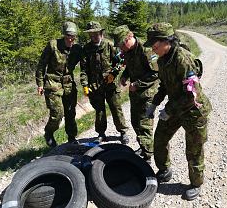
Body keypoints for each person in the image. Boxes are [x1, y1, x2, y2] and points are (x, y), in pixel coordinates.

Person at [144, 22, 212, 201]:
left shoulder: (183, 59)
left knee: (194, 149)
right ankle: (165, 170)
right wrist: (154, 104)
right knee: (160, 138)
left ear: (166, 41)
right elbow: (163, 87)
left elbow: (192, 95)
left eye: (155, 44)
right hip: (176, 107)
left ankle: (196, 183)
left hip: (193, 111)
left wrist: (168, 109)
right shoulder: (162, 60)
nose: (152, 48)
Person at [112, 25, 159, 163]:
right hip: (135, 94)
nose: (121, 49)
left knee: (144, 125)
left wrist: (137, 84)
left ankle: (147, 157)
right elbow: (129, 66)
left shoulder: (146, 50)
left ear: (129, 38)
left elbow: (155, 73)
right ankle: (144, 147)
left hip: (147, 93)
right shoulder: (128, 51)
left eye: (121, 44)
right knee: (135, 122)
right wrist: (124, 76)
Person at [80, 21, 129, 144]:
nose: (93, 37)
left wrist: (114, 73)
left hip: (111, 84)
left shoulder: (109, 45)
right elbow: (84, 69)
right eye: (91, 35)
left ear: (101, 33)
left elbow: (121, 61)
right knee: (99, 110)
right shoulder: (86, 49)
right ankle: (101, 134)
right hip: (95, 86)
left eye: (96, 34)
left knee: (116, 108)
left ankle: (123, 132)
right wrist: (85, 84)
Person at [36, 21, 82, 147]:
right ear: (64, 35)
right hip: (52, 83)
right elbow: (41, 65)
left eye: (73, 36)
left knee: (70, 112)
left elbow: (88, 60)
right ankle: (49, 132)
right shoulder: (53, 45)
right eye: (68, 36)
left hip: (69, 84)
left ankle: (72, 137)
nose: (71, 38)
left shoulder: (77, 49)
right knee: (57, 113)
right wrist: (40, 83)